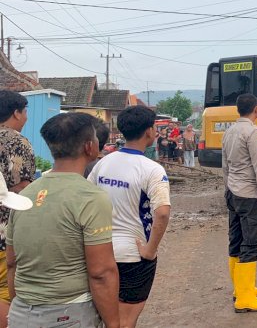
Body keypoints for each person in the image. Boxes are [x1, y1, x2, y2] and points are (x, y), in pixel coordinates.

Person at [7, 113, 119, 327]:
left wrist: (21, 308)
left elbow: (12, 263)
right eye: (96, 138)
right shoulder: (90, 198)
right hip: (69, 314)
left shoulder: (26, 195)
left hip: (21, 313)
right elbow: (101, 273)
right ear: (89, 147)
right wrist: (114, 323)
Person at [88, 105, 171, 328]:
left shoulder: (102, 163)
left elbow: (87, 201)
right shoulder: (152, 169)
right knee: (125, 321)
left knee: (104, 318)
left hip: (100, 251)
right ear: (149, 131)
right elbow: (162, 212)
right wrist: (150, 250)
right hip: (133, 256)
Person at [222, 94, 257, 313]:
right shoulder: (254, 133)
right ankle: (245, 299)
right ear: (256, 110)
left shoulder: (229, 131)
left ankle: (241, 289)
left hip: (233, 193)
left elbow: (225, 165)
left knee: (236, 240)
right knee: (252, 243)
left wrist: (228, 189)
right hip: (249, 195)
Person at [0, 90, 35, 327]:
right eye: (25, 112)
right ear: (16, 112)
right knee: (4, 291)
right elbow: (22, 186)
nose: (26, 118)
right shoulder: (16, 141)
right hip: (5, 231)